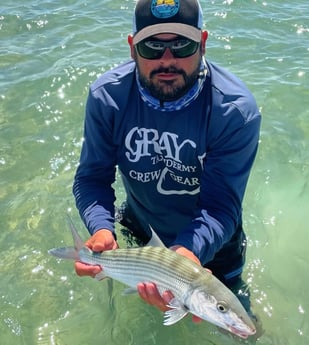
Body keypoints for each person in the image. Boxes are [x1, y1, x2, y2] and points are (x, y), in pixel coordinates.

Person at [72, 0, 261, 321]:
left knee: (241, 324)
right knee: (143, 317)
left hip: (213, 244)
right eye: (153, 47)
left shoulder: (234, 111)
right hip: (139, 227)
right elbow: (92, 178)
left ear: (202, 43)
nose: (167, 60)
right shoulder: (108, 97)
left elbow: (220, 207)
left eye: (182, 45)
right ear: (132, 48)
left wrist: (189, 252)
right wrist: (102, 228)